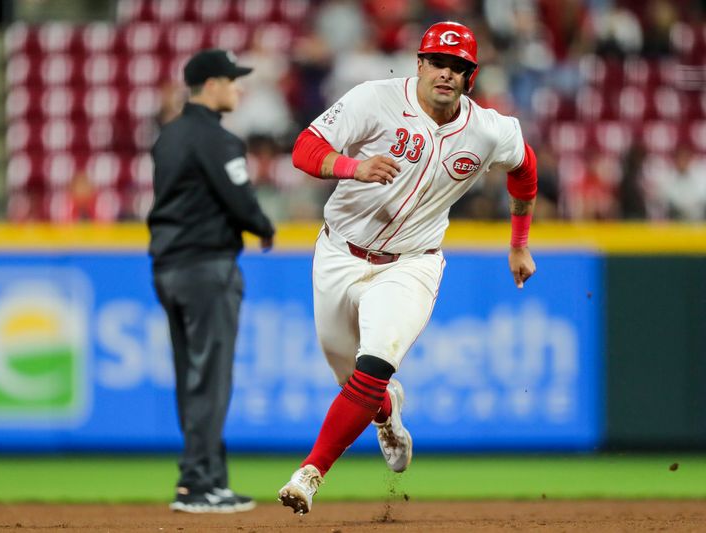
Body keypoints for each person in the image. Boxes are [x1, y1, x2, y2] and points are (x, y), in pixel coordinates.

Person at [279, 21, 538, 514]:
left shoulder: (488, 130)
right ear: (419, 64)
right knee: (352, 382)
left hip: (411, 264)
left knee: (373, 364)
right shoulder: (373, 99)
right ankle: (386, 410)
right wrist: (353, 166)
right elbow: (304, 149)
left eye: (457, 66)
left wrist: (519, 243)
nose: (446, 73)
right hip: (339, 253)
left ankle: (309, 474)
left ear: (470, 76)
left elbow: (525, 169)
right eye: (437, 62)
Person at [148, 48, 275, 514]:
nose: (239, 88)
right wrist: (264, 226)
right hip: (206, 267)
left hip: (167, 267)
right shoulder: (217, 140)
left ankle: (210, 478)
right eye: (233, 80)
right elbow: (241, 201)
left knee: (193, 377)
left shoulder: (168, 136)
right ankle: (198, 483)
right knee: (211, 379)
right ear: (213, 84)